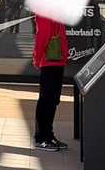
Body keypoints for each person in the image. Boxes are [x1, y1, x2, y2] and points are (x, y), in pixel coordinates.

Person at [32, 13, 69, 151]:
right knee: (47, 100)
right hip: (50, 60)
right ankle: (41, 138)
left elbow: (55, 33)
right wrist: (37, 58)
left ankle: (48, 135)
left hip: (56, 59)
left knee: (52, 100)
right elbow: (43, 34)